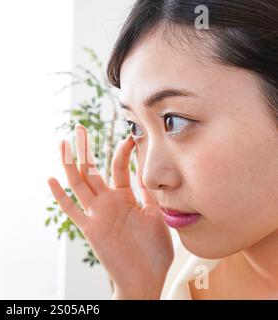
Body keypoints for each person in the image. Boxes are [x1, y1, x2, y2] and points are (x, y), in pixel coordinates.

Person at [46, 0, 278, 299]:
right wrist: (137, 290)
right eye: (135, 127)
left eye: (175, 120)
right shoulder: (173, 270)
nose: (148, 175)